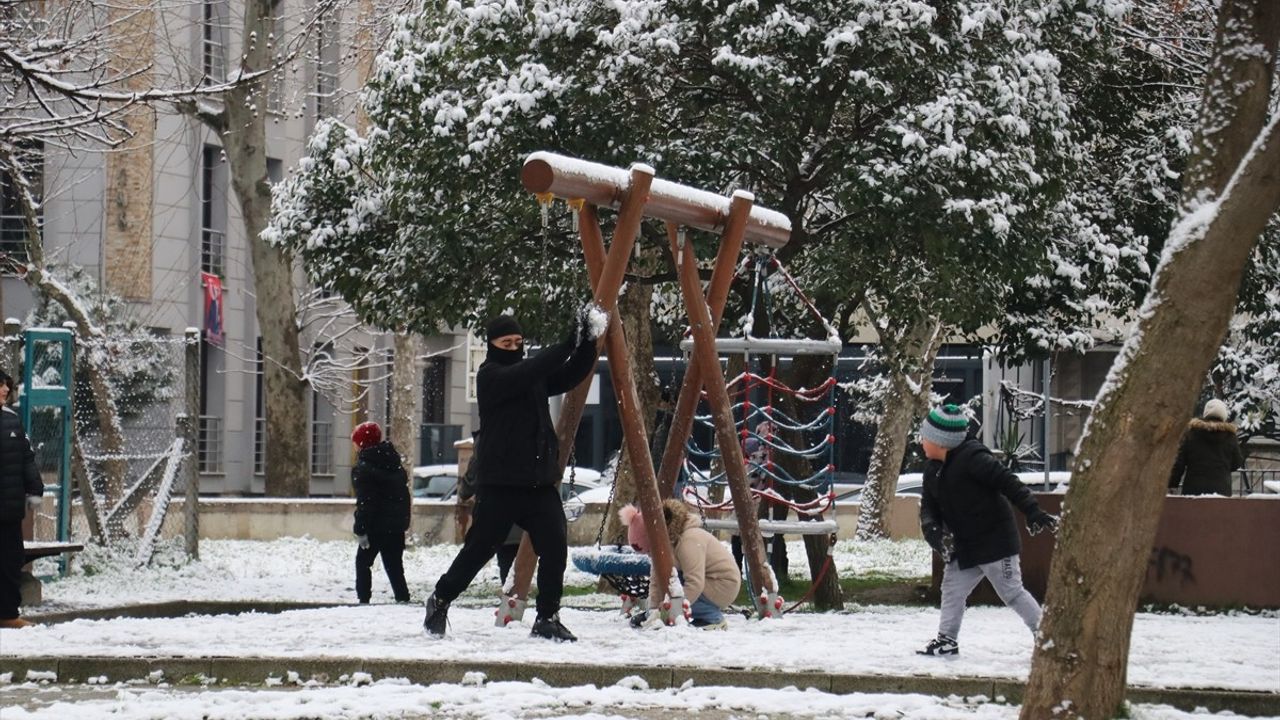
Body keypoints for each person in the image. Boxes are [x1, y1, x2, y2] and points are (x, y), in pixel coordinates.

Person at [423, 308, 602, 641]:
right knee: (479, 549)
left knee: (555, 547)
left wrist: (588, 343)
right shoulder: (490, 376)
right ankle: (441, 598)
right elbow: (533, 368)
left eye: (519, 342)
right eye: (507, 342)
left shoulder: (532, 377)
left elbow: (569, 375)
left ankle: (547, 617)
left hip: (537, 483)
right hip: (501, 484)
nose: (515, 348)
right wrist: (568, 341)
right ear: (492, 346)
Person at [916, 404, 1058, 657]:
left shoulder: (974, 458)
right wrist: (934, 533)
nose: (921, 441)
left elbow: (1008, 483)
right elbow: (928, 508)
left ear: (942, 441)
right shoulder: (933, 470)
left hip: (996, 543)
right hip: (965, 546)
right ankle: (947, 640)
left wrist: (1032, 510)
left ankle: (1046, 637)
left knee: (1011, 592)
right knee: (952, 589)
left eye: (925, 437)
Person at [620, 498, 742, 630]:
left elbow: (695, 582)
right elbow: (658, 580)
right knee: (669, 579)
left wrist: (673, 610)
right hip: (705, 582)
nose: (650, 555)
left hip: (723, 584)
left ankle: (713, 618)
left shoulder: (688, 540)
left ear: (655, 540)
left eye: (650, 550)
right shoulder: (663, 546)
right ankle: (684, 611)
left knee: (676, 585)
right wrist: (654, 611)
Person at [351, 421, 411, 604]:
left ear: (362, 443)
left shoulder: (363, 469)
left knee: (363, 563)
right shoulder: (394, 464)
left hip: (375, 526)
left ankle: (364, 600)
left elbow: (366, 503)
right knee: (394, 567)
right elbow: (402, 497)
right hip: (395, 526)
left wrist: (360, 528)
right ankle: (403, 599)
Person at [0, 369, 42, 629]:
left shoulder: (12, 421)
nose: (5, 390)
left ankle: (7, 614)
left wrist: (35, 488)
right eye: (0, 386)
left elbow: (26, 457)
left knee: (10, 561)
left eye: (6, 386)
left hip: (8, 509)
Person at [456, 432, 522, 587]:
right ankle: (518, 593)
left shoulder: (487, 437)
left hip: (496, 510)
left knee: (501, 555)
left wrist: (465, 489)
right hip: (525, 511)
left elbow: (471, 480)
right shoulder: (527, 431)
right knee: (516, 555)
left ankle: (511, 593)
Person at [1168, 398, 1245, 497]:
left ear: (1206, 413)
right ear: (1223, 415)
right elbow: (1237, 462)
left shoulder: (1192, 434)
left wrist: (1172, 483)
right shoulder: (1230, 437)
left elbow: (1179, 463)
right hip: (1221, 490)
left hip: (1193, 490)